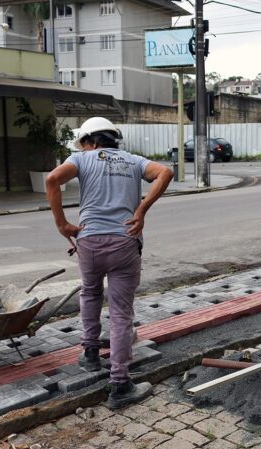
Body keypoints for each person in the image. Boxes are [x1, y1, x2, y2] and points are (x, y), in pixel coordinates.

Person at [45, 117, 173, 409]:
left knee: (89, 293)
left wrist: (62, 224)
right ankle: (119, 383)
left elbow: (52, 179)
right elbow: (165, 172)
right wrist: (141, 210)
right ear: (113, 139)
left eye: (84, 143)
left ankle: (90, 354)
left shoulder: (82, 159)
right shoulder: (133, 161)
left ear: (90, 141)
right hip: (124, 242)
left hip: (89, 241)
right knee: (120, 312)